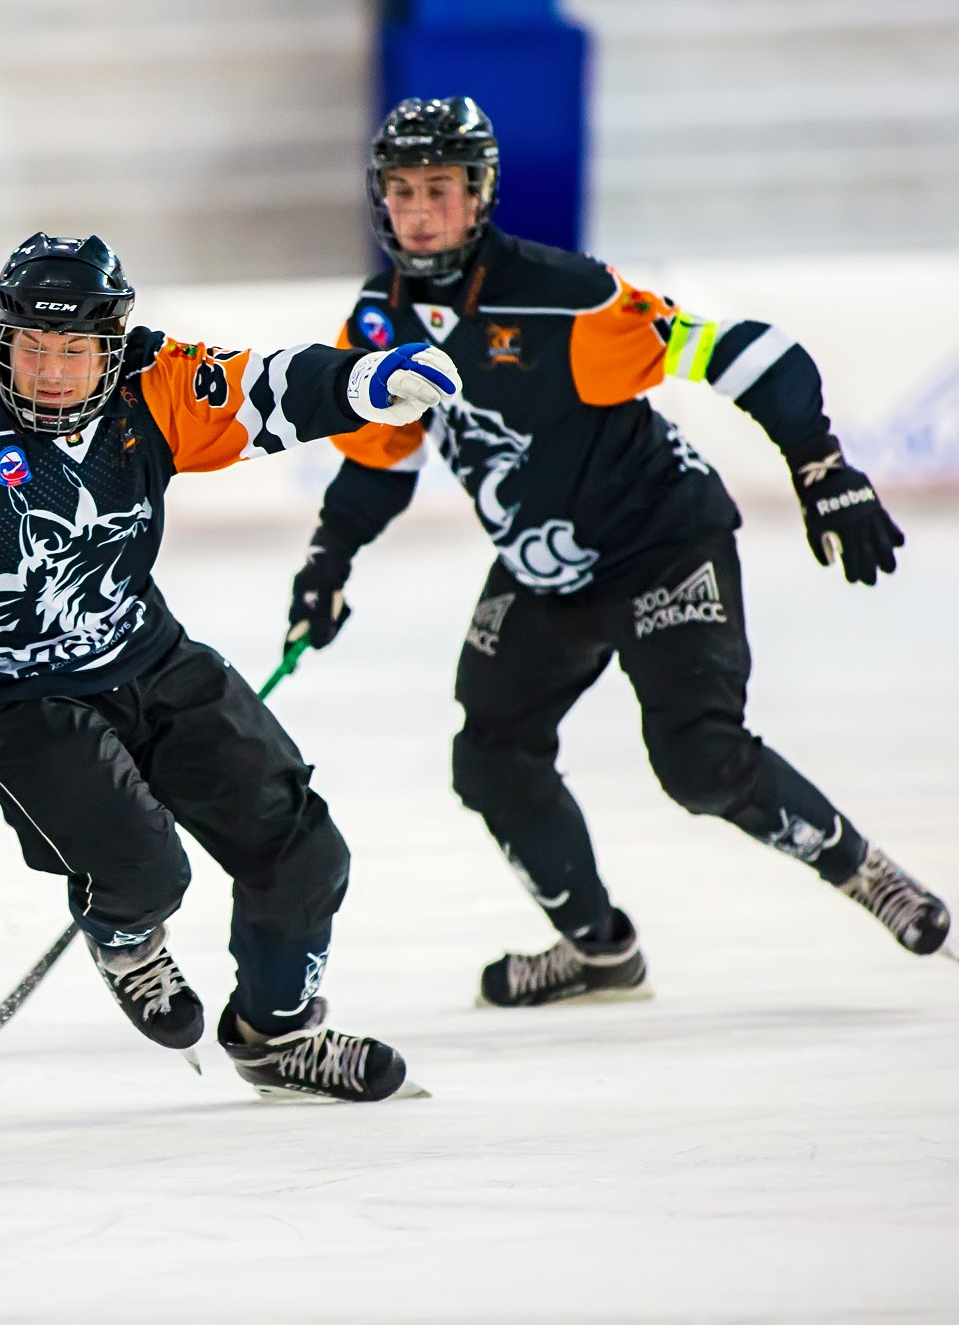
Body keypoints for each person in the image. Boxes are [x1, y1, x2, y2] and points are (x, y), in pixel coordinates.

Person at [286, 96, 952, 1008]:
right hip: (542, 567)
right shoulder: (377, 320)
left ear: (479, 195)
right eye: (402, 190)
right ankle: (599, 950)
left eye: (439, 187)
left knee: (699, 761)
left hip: (660, 542)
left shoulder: (566, 296)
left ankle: (870, 873)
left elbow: (751, 355)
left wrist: (822, 466)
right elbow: (379, 459)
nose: (419, 211)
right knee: (488, 757)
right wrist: (327, 563)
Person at [0, 232, 459, 1101]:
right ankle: (127, 934)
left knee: (304, 848)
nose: (50, 371)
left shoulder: (153, 387)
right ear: (1, 340)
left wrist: (362, 383)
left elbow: (262, 387)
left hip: (150, 658)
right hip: (10, 702)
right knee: (147, 869)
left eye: (75, 349)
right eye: (32, 346)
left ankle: (276, 1038)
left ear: (109, 349)